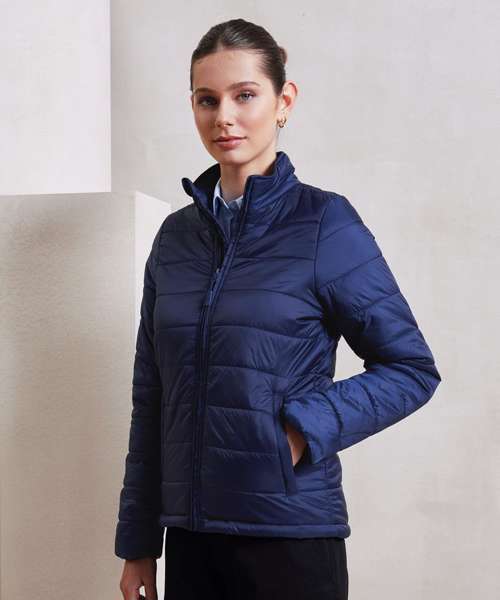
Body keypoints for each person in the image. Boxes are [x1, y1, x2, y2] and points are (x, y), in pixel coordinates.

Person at [116, 18, 441, 600]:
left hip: (290, 541)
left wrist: (300, 428)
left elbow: (411, 369)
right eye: (207, 100)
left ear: (283, 101)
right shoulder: (175, 239)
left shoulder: (324, 224)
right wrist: (138, 543)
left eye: (244, 95)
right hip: (191, 541)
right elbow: (153, 397)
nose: (224, 117)